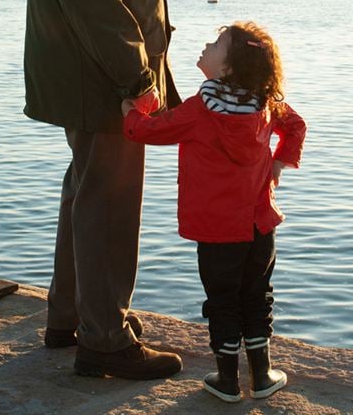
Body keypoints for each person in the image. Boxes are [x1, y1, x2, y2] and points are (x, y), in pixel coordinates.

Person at [23, 0, 182, 380]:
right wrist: (139, 80)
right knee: (109, 205)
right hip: (104, 81)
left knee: (86, 195)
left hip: (95, 75)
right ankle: (105, 341)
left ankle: (73, 319)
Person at [122, 21, 307, 402]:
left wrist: (135, 108)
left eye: (217, 43)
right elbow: (297, 125)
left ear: (226, 69)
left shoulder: (198, 111)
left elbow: (146, 131)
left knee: (221, 300)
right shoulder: (266, 103)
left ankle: (227, 380)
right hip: (260, 225)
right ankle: (261, 375)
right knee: (257, 295)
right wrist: (279, 161)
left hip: (218, 230)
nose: (207, 44)